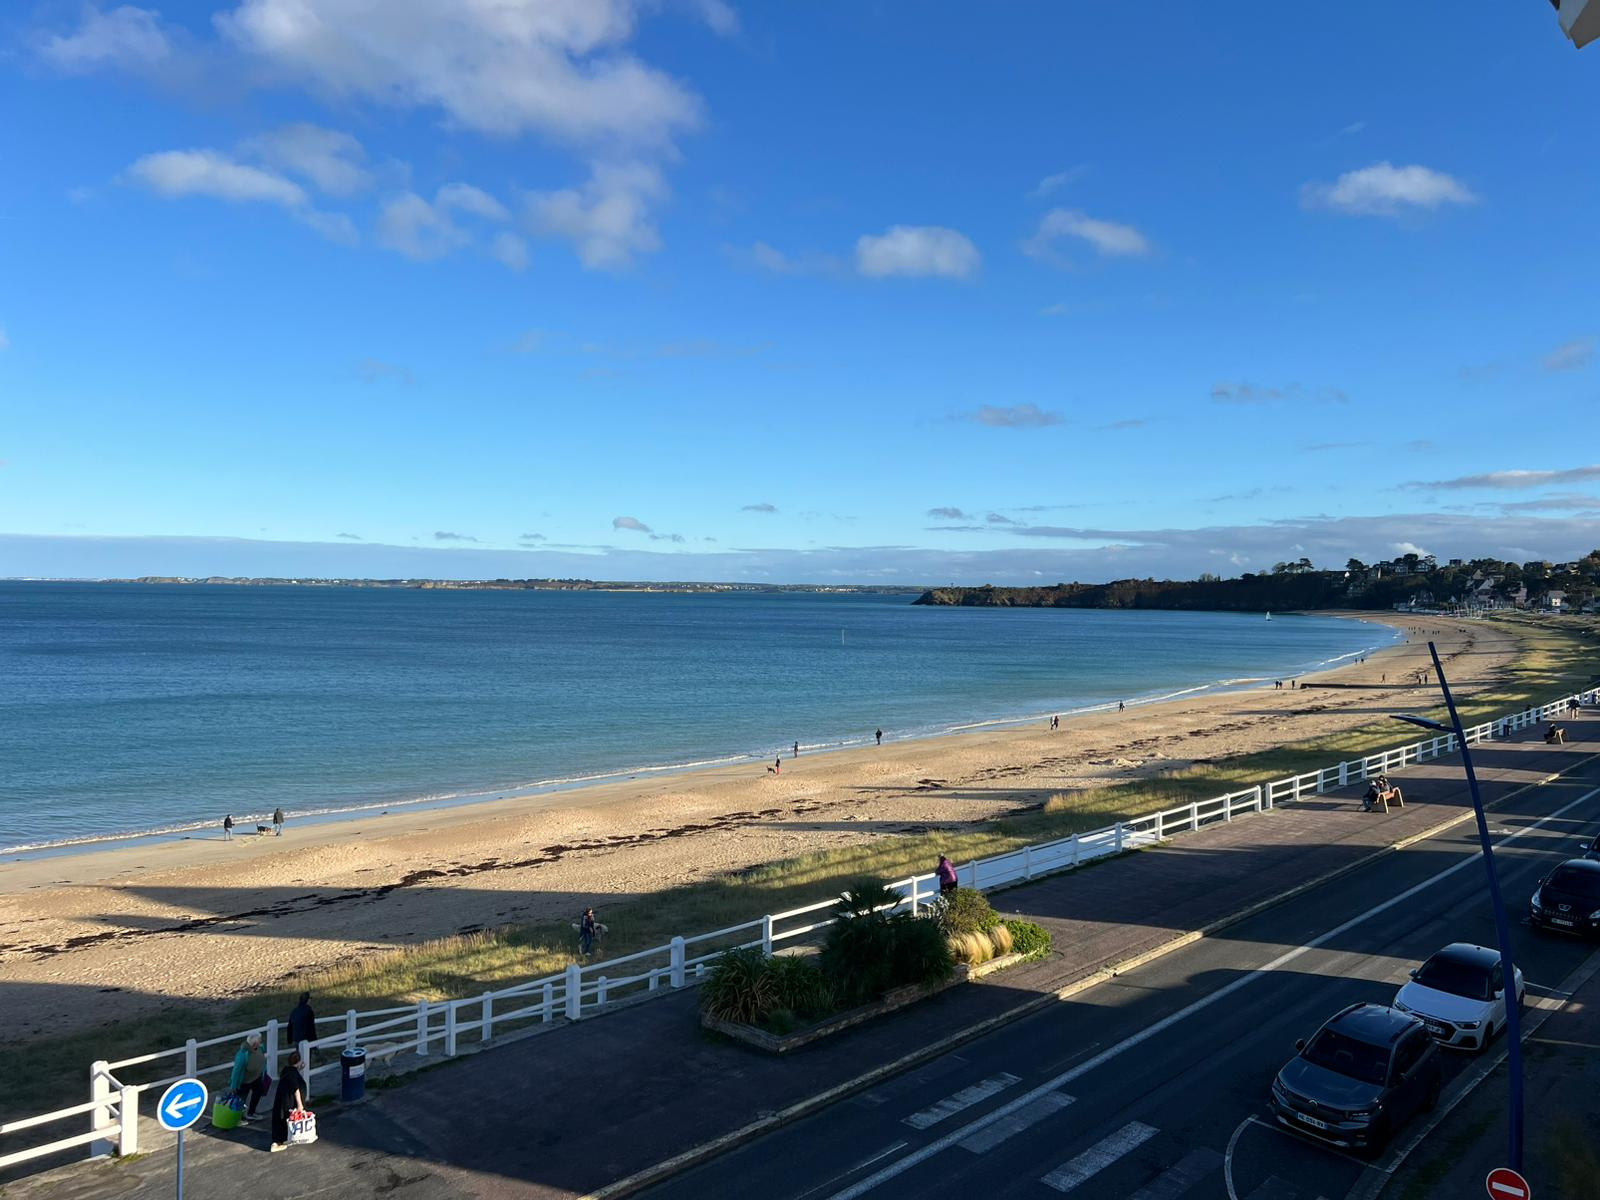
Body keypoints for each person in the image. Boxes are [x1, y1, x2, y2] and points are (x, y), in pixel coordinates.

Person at [269, 1049, 307, 1153]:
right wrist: (300, 1105)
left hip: (282, 1100)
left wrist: (299, 1067)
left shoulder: (286, 1071)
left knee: (280, 1119)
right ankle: (277, 1143)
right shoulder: (293, 1074)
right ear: (298, 1061)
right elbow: (296, 1089)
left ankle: (281, 1140)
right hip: (288, 1102)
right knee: (284, 1120)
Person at [228, 1032, 269, 1121]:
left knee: (258, 1093)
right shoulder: (243, 1055)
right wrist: (233, 1085)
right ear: (255, 1043)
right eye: (259, 1040)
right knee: (241, 1099)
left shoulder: (260, 1048)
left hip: (256, 1078)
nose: (261, 1041)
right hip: (244, 1081)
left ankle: (251, 1113)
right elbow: (236, 1071)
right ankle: (238, 1117)